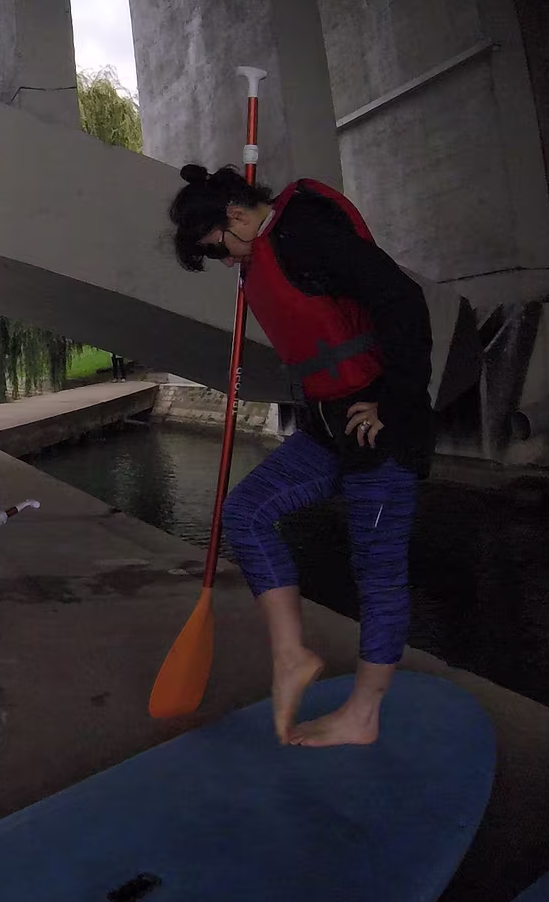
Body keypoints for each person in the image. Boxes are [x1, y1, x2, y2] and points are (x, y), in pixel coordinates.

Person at [168, 163, 432, 748]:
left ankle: (363, 715)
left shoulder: (308, 231)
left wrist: (394, 402)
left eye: (218, 248)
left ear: (236, 215)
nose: (225, 262)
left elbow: (403, 300)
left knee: (378, 572)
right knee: (246, 514)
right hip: (328, 426)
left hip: (381, 427)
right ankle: (291, 656)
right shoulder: (264, 248)